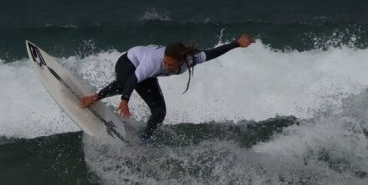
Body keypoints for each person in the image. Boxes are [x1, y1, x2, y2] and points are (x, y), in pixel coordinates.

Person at [80, 34, 255, 141]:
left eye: (170, 64)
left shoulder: (191, 59)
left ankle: (144, 141)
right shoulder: (153, 62)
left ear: (181, 60)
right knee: (124, 84)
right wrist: (125, 99)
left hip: (146, 76)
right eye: (165, 61)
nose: (166, 65)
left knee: (160, 111)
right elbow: (133, 79)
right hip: (128, 63)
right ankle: (94, 97)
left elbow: (212, 53)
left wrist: (237, 44)